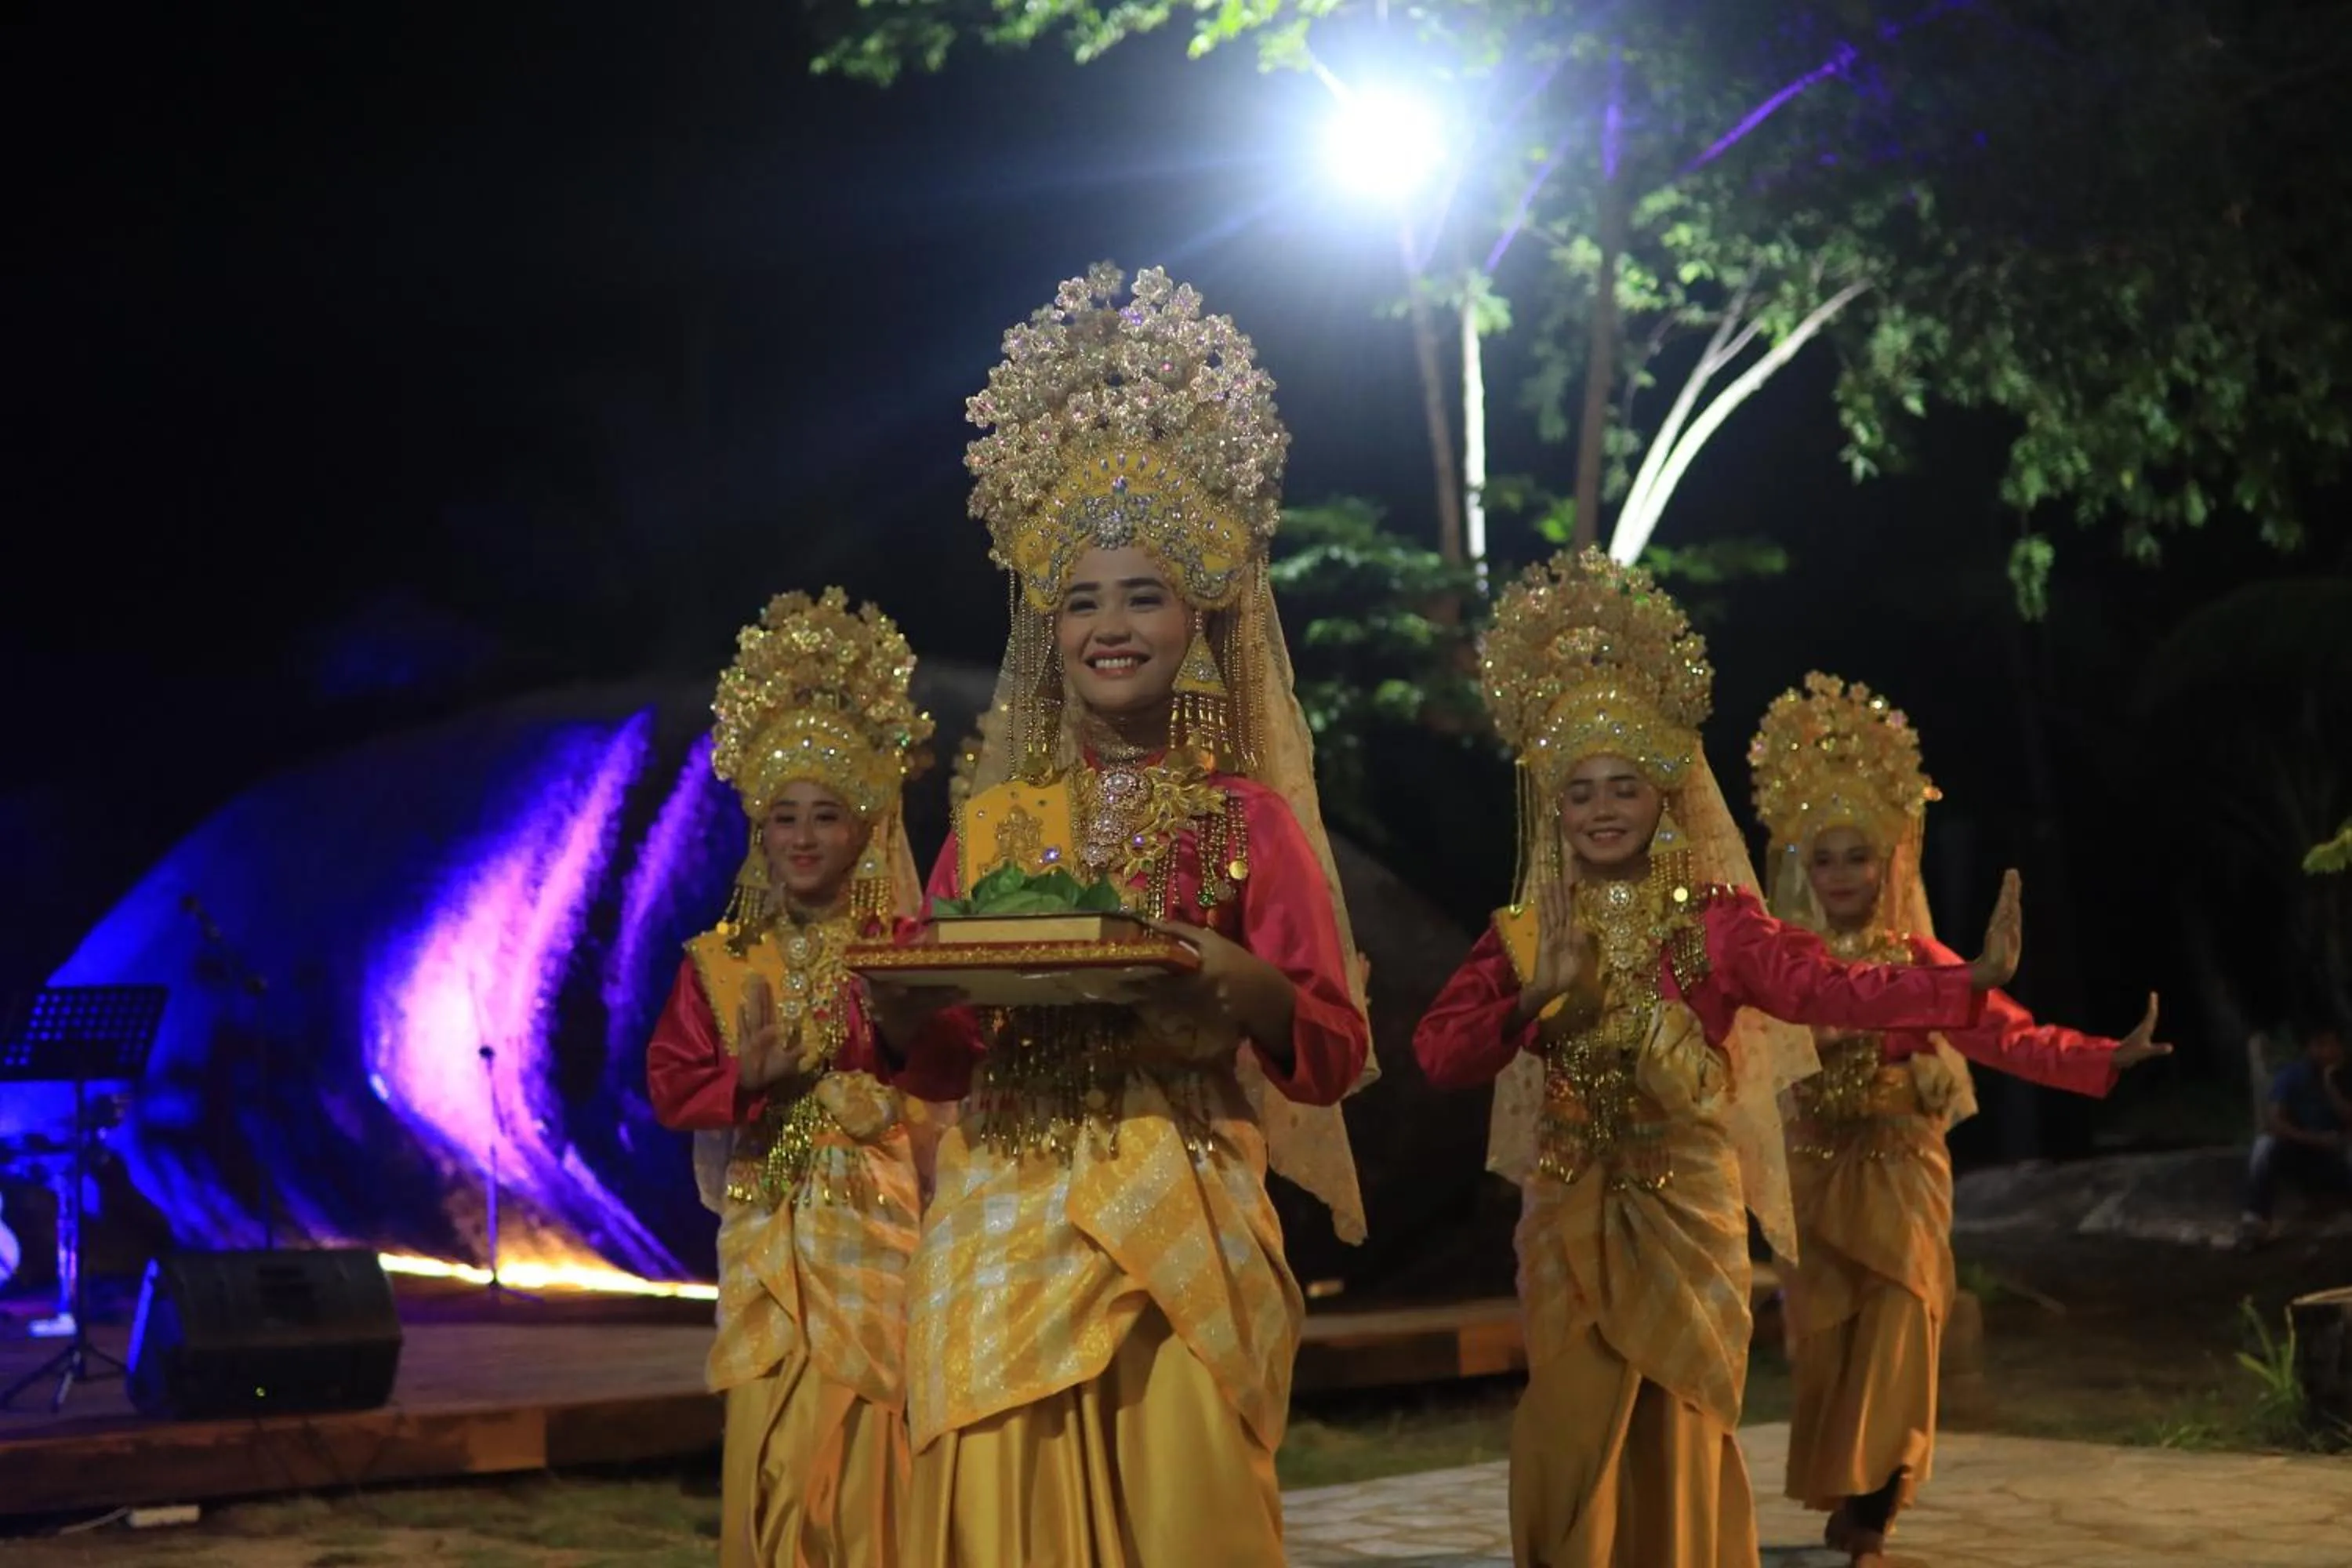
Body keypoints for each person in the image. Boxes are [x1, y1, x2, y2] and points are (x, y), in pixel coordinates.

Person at [866, 263, 1374, 1566]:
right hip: (1003, 1211)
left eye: (1140, 593)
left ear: (1198, 614)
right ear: (1050, 625)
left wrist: (1236, 981)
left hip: (1181, 1203)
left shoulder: (1251, 822)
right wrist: (902, 1009)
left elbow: (1329, 1042)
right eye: (1080, 599)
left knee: (1187, 1514)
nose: (1109, 625)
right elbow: (941, 1047)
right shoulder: (994, 832)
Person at [1412, 549, 2030, 1568]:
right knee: (1567, 1424)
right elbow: (1439, 1052)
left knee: (1684, 1421)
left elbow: (1829, 987)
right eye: (1581, 792)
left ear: (1665, 794)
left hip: (1685, 1206)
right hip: (1570, 1205)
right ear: (1554, 807)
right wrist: (1532, 1001)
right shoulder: (1525, 931)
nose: (1604, 807)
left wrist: (1964, 982)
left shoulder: (1719, 924)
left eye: (1626, 786)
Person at [1748, 673, 2169, 1566]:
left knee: (1904, 1325)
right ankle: (1844, 1487)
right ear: (1799, 865)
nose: (1843, 875)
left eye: (1859, 856)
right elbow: (1751, 1052)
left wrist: (2102, 1056)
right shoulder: (1783, 962)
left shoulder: (1925, 959)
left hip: (1900, 1168)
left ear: (1891, 861)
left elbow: (2008, 1036)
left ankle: (1874, 1506)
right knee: (1829, 1343)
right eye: (1824, 858)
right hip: (1815, 1175)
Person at [645, 587, 934, 1568]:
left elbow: (957, 1059)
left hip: (878, 1228)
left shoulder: (902, 952)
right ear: (759, 831)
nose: (803, 836)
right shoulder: (721, 961)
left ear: (865, 829)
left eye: (826, 815)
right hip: (768, 1231)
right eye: (783, 816)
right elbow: (671, 1082)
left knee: (871, 1425)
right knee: (771, 1430)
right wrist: (744, 1078)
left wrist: (891, 1035)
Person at [2239, 1022, 2352, 1247]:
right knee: (2264, 1145)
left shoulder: (2345, 1077)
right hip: (2305, 1151)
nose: (2326, 1051)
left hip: (2339, 1157)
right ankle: (2256, 1219)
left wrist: (2331, 1085)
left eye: (2332, 1045)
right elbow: (2275, 1121)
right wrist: (2313, 1140)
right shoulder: (2292, 1075)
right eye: (2320, 1045)